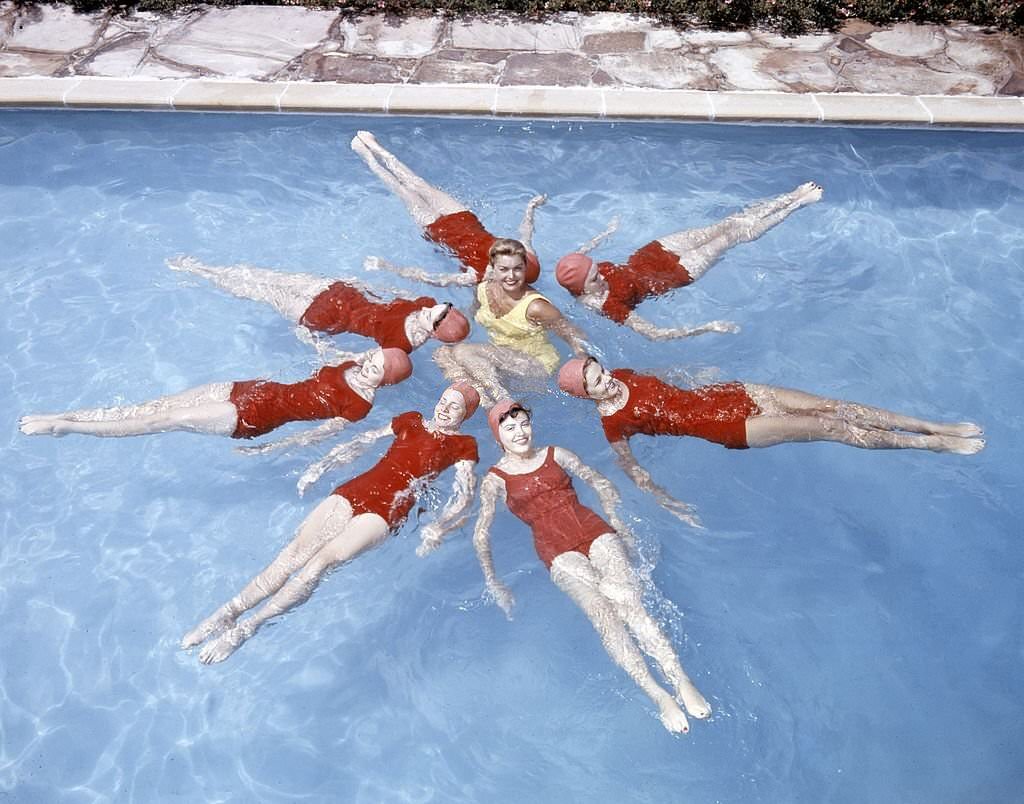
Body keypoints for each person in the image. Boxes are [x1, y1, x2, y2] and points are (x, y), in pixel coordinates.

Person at [181, 384, 482, 664]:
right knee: (293, 554)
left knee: (321, 562)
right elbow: (363, 440)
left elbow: (465, 492)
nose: (443, 408)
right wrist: (321, 466)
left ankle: (247, 628)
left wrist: (442, 526)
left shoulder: (464, 445)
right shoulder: (411, 420)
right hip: (355, 491)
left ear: (465, 415)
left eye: (454, 407)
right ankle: (225, 613)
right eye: (443, 401)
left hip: (386, 512)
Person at [471, 400, 711, 734]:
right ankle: (659, 696)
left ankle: (680, 679)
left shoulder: (557, 453)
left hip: (593, 529)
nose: (520, 432)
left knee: (628, 601)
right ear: (499, 437)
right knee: (602, 612)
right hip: (555, 549)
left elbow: (598, 481)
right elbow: (481, 532)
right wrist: (492, 579)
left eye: (524, 423)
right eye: (509, 428)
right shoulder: (495, 480)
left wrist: (618, 522)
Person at [558, 356, 986, 524]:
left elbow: (665, 381)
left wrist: (695, 377)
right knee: (833, 429)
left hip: (732, 391)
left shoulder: (626, 375)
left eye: (603, 370)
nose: (608, 380)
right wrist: (664, 500)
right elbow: (629, 466)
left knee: (833, 406)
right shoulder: (614, 425)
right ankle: (930, 445)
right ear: (587, 394)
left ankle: (933, 425)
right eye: (597, 382)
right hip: (730, 428)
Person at [554, 182, 824, 340]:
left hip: (652, 252)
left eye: (596, 271)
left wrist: (607, 232)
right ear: (580, 289)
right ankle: (796, 206)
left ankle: (790, 195)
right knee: (734, 236)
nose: (601, 276)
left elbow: (583, 251)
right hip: (671, 276)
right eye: (594, 279)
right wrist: (705, 328)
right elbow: (654, 334)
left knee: (725, 224)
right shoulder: (605, 305)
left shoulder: (580, 271)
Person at [18, 347, 412, 454]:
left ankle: (66, 429)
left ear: (386, 382)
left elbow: (321, 434)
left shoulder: (359, 407)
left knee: (164, 420)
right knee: (153, 406)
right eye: (372, 358)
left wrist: (276, 447)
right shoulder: (351, 363)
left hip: (253, 415)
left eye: (376, 368)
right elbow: (314, 373)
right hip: (250, 388)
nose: (367, 365)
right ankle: (65, 415)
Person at [166, 256, 470, 362]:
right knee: (262, 276)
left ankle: (199, 275)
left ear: (434, 331)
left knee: (257, 291)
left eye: (442, 314)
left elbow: (361, 361)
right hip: (337, 291)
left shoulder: (400, 345)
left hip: (323, 316)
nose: (441, 306)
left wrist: (315, 344)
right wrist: (362, 283)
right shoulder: (426, 304)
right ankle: (205, 269)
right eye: (449, 307)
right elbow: (391, 294)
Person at [350, 130, 543, 287]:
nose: (511, 275)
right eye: (509, 269)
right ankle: (379, 149)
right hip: (463, 218)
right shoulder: (524, 255)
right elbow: (526, 234)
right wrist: (531, 208)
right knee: (419, 184)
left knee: (403, 190)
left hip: (439, 231)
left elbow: (432, 278)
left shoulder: (478, 276)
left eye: (514, 270)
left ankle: (368, 158)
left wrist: (388, 267)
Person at [433, 238, 590, 406]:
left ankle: (502, 402)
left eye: (518, 269)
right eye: (504, 269)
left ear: (525, 268)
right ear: (493, 269)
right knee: (442, 354)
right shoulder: (482, 291)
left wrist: (585, 364)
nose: (511, 276)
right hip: (502, 360)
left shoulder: (536, 307)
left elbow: (573, 334)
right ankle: (483, 400)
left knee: (463, 352)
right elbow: (471, 316)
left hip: (535, 367)